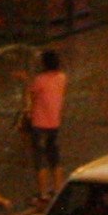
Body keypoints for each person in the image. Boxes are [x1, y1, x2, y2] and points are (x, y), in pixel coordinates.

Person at [24, 49, 67, 199]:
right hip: (54, 123)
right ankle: (58, 189)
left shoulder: (40, 79)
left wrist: (25, 81)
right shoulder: (62, 77)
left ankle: (43, 193)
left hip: (39, 124)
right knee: (54, 157)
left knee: (40, 159)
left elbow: (31, 95)